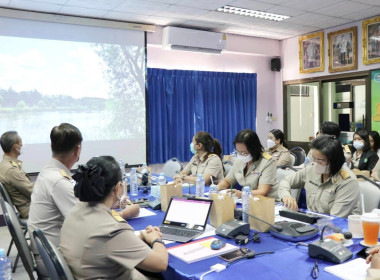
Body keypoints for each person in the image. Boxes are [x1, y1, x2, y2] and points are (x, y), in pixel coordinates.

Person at [60, 156, 168, 279]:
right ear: (117, 188)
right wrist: (155, 239)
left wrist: (139, 238)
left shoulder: (76, 210)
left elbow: (105, 246)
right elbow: (161, 264)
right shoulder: (111, 228)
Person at [278, 135, 361, 218]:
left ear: (334, 161)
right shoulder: (311, 169)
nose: (315, 163)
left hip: (335, 228)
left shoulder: (347, 182)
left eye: (320, 160)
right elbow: (286, 181)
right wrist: (286, 196)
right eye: (314, 158)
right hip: (312, 222)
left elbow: (335, 219)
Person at [216, 129, 278, 199]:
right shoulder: (239, 160)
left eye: (244, 153)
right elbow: (227, 181)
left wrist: (241, 194)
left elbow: (262, 191)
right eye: (238, 151)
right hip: (246, 199)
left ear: (254, 149)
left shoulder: (267, 162)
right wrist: (218, 188)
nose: (240, 155)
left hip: (266, 202)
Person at [0, 131, 33, 218]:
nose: (22, 146)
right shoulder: (11, 169)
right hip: (30, 209)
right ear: (15, 147)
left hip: (30, 206)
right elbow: (32, 191)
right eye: (21, 144)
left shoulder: (6, 165)